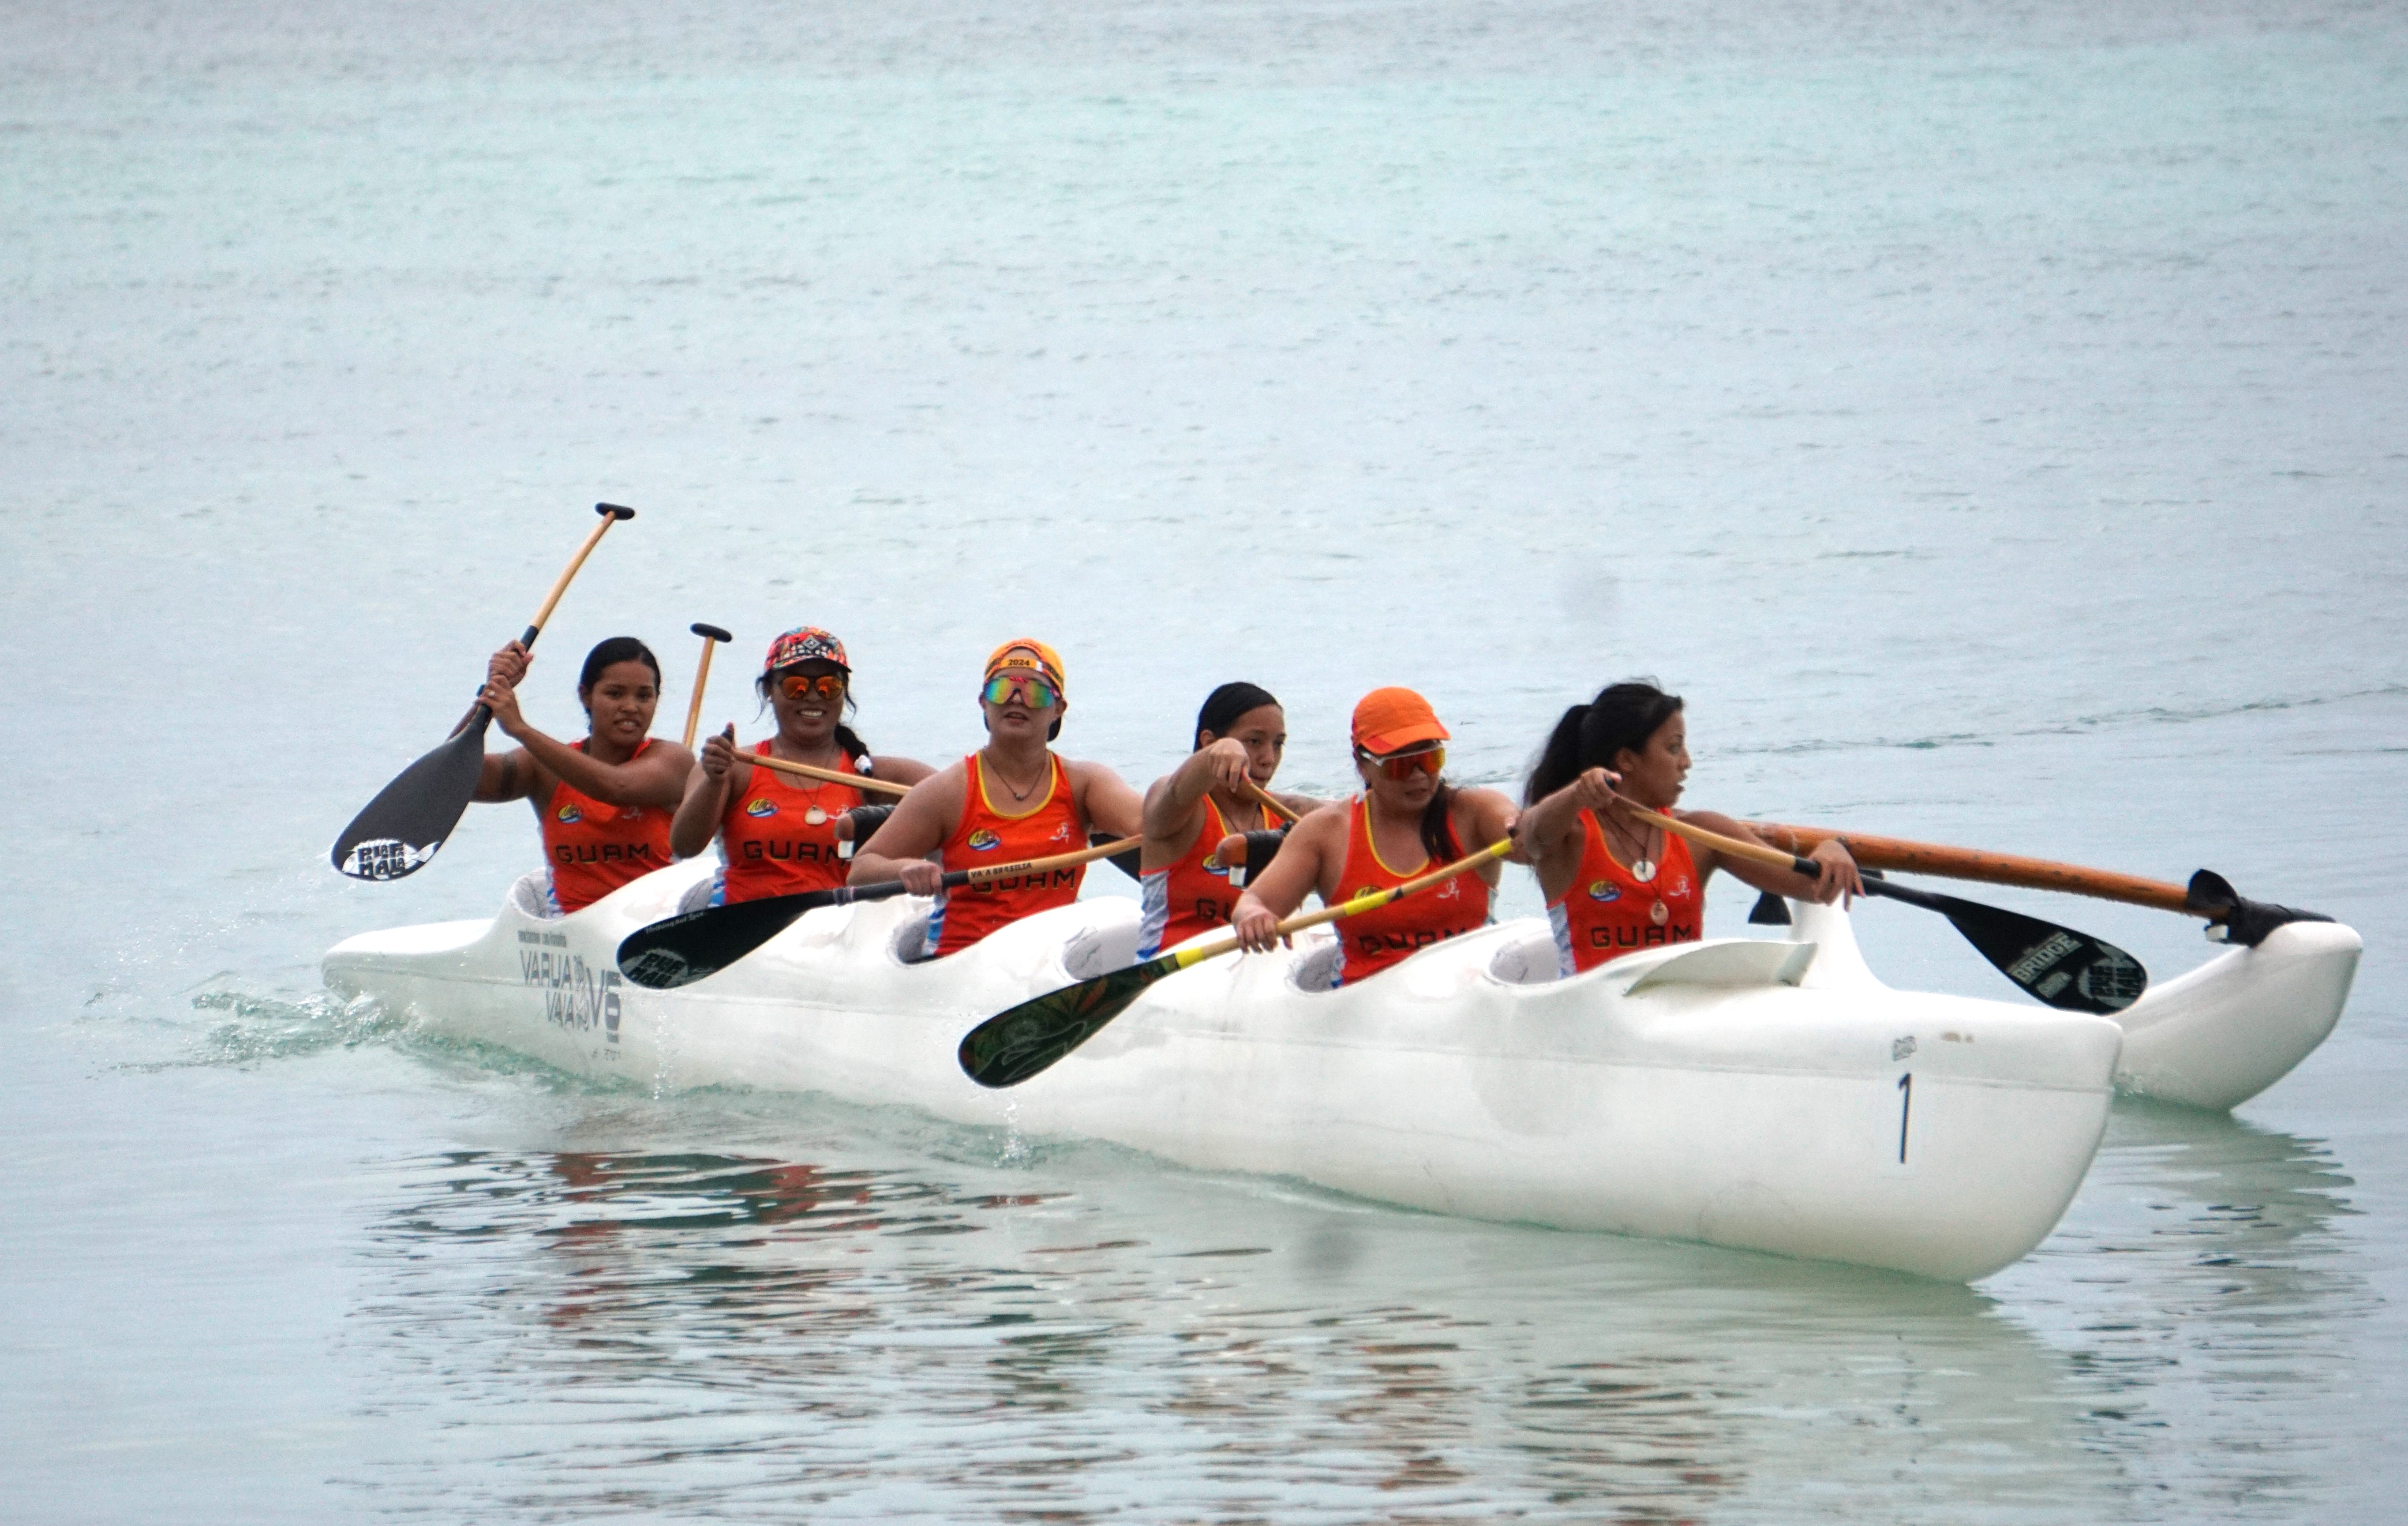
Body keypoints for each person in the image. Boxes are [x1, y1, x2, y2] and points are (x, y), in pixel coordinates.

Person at [1518, 680, 1862, 976]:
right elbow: (1531, 835)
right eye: (1673, 748)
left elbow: (1809, 888)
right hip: (1589, 1017)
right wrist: (1577, 793)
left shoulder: (1701, 834)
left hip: (1677, 1015)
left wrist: (1833, 849)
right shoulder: (1568, 836)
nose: (1687, 762)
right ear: (1626, 760)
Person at [849, 639, 1145, 958]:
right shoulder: (948, 791)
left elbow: (1153, 825)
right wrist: (904, 868)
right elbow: (862, 869)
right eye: (1002, 689)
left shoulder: (1085, 784)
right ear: (983, 702)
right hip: (959, 961)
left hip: (1044, 963)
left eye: (1034, 692)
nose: (1016, 700)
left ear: (1058, 709)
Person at [1229, 688, 1517, 985]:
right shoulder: (1326, 832)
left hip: (1468, 989)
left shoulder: (1475, 811)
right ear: (1362, 764)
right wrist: (1254, 917)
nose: (1419, 775)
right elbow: (1254, 901)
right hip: (1368, 1000)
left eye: (1430, 759)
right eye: (1401, 765)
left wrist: (1528, 829)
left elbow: (1522, 831)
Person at [669, 628, 935, 904]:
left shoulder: (875, 775)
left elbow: (962, 793)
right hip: (743, 925)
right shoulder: (734, 766)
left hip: (831, 935)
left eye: (828, 686)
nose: (813, 696)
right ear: (769, 690)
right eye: (796, 685)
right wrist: (715, 781)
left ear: (844, 693)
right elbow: (685, 847)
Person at [473, 636, 696, 915]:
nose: (631, 707)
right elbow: (451, 782)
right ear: (585, 695)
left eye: (644, 696)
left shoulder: (674, 761)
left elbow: (616, 787)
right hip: (573, 931)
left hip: (649, 931)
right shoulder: (543, 768)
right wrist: (489, 696)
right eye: (615, 694)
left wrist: (521, 729)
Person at [1135, 682, 1326, 959]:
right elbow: (1176, 790)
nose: (1269, 759)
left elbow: (1360, 815)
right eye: (1254, 742)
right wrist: (1215, 754)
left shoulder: (1291, 813)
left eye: (1278, 744)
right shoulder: (1177, 807)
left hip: (1262, 978)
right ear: (1209, 742)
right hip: (1172, 975)